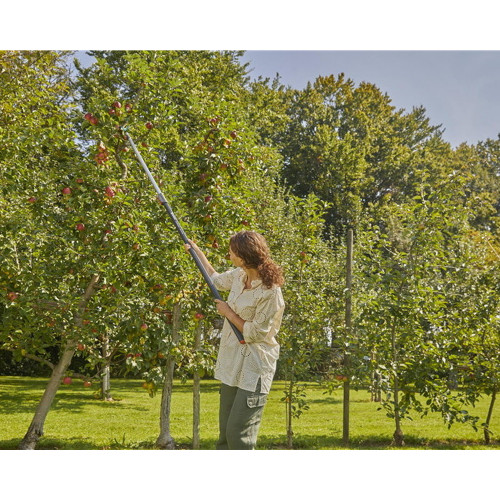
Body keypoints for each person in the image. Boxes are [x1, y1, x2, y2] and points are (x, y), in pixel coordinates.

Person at [185, 230, 285, 450]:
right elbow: (215, 279)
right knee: (224, 436)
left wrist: (229, 313)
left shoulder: (270, 292)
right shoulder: (239, 277)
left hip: (255, 366)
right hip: (232, 364)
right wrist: (196, 251)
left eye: (231, 252)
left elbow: (257, 333)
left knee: (239, 436)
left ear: (243, 256)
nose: (228, 255)